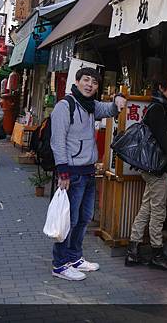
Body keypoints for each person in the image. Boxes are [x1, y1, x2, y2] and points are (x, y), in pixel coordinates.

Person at [50, 67, 126, 281]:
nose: (89, 85)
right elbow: (57, 141)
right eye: (86, 80)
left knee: (83, 219)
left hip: (88, 171)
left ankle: (74, 258)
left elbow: (111, 109)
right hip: (72, 173)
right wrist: (63, 172)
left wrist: (119, 97)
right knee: (69, 221)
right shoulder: (65, 106)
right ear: (77, 81)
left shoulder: (91, 106)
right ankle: (60, 265)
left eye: (94, 82)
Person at [126, 73, 167, 271]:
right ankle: (157, 253)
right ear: (161, 87)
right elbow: (165, 141)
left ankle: (133, 250)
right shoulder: (159, 109)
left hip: (151, 167)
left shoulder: (157, 107)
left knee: (148, 207)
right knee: (158, 210)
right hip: (157, 168)